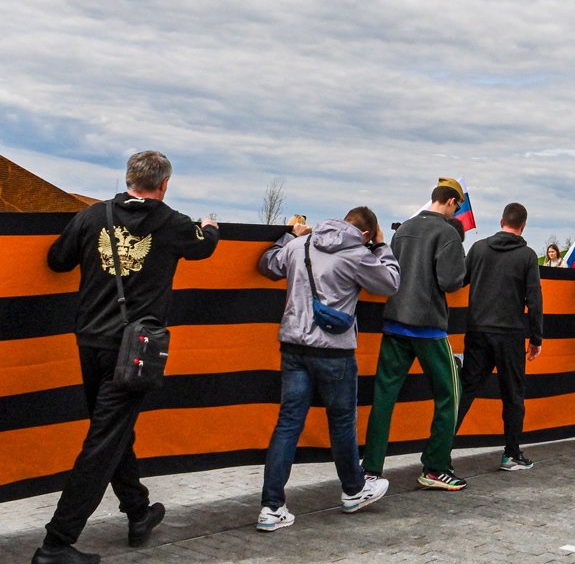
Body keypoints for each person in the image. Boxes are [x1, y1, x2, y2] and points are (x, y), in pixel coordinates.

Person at [34, 151, 219, 564]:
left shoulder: (92, 217)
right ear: (164, 184)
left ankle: (138, 511)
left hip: (90, 344)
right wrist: (211, 227)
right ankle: (56, 544)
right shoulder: (172, 224)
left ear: (128, 177)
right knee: (102, 443)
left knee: (114, 432)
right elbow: (205, 247)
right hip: (134, 351)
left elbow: (57, 260)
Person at [255, 207, 400, 531]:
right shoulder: (357, 254)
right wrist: (381, 245)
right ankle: (353, 490)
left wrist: (289, 236)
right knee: (342, 422)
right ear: (365, 234)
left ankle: (271, 507)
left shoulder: (300, 245)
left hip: (293, 347)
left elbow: (267, 264)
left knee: (288, 424)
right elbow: (391, 282)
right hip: (334, 352)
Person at [363, 178, 468, 491]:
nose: (457, 213)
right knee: (450, 393)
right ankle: (435, 467)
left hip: (395, 320)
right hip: (428, 325)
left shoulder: (404, 229)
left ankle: (371, 468)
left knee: (384, 396)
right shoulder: (447, 233)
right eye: (457, 207)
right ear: (450, 201)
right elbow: (451, 281)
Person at [455, 202, 543, 470]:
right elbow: (535, 301)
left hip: (478, 329)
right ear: (523, 225)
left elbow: (459, 279)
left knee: (466, 391)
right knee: (513, 395)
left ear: (501, 219)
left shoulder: (479, 248)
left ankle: (439, 452)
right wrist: (536, 337)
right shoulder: (527, 255)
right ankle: (511, 454)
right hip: (510, 333)